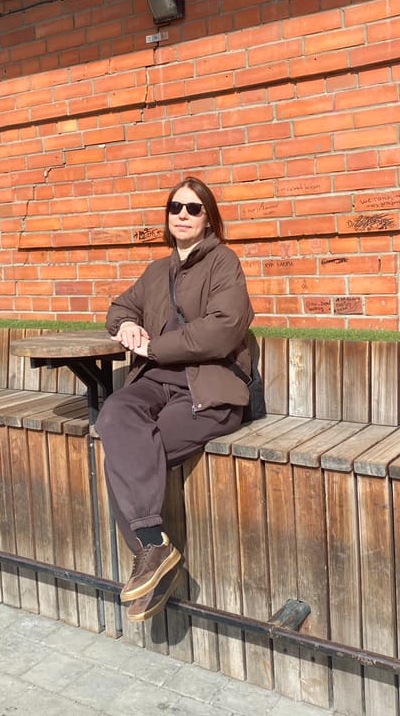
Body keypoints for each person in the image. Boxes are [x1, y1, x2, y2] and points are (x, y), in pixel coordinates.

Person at [95, 176, 254, 622]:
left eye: (194, 208)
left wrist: (152, 348)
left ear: (208, 218)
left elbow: (223, 328)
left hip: (206, 389)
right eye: (175, 207)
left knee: (128, 454)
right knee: (115, 417)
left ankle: (150, 554)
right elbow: (118, 307)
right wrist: (125, 326)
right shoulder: (154, 272)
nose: (182, 215)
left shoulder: (224, 263)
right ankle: (155, 547)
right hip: (154, 384)